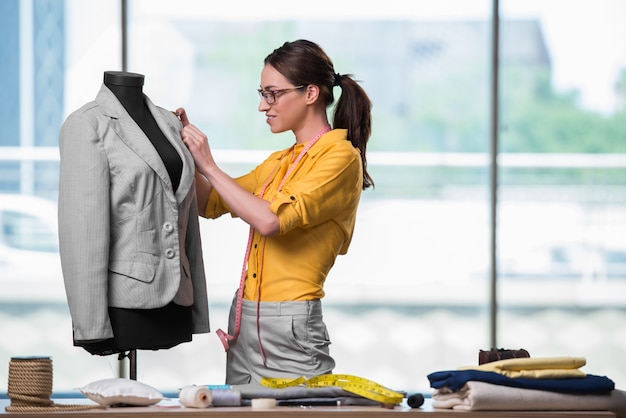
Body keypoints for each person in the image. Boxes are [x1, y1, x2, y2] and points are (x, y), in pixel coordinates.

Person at [177, 39, 373, 385]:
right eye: (262, 93)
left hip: (291, 326)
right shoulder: (280, 162)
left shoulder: (340, 159)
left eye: (272, 94)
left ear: (311, 93)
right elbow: (209, 203)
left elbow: (270, 220)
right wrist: (182, 149)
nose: (262, 105)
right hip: (245, 318)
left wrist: (208, 164)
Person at [58, 71, 210, 357]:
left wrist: (197, 307)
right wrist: (90, 326)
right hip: (123, 304)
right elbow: (82, 233)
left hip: (177, 299)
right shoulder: (87, 124)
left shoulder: (168, 122)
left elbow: (186, 219)